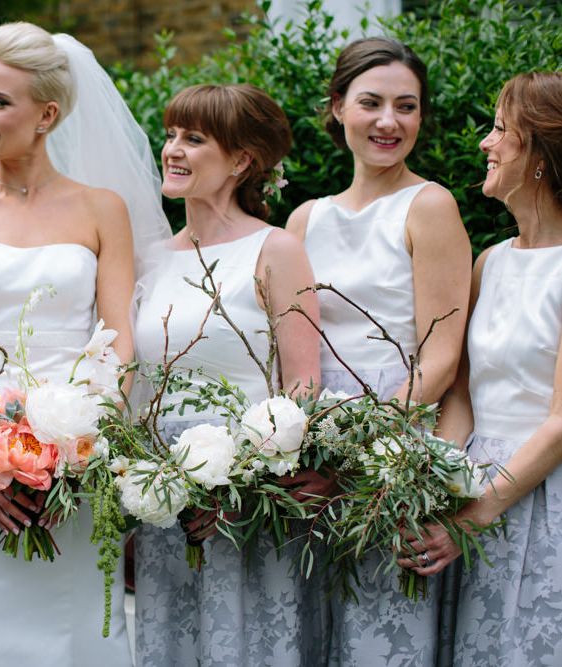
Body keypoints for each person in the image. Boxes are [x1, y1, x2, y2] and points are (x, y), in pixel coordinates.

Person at [0, 22, 169, 666]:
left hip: (75, 464)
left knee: (76, 627)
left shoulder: (103, 209)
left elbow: (119, 341)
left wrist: (77, 447)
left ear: (47, 114)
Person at [287, 38, 472, 666]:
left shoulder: (430, 206)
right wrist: (298, 445)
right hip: (311, 460)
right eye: (371, 102)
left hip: (391, 457)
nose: (389, 121)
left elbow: (442, 356)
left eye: (407, 106)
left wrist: (361, 454)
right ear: (338, 107)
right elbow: (288, 350)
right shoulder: (304, 219)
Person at [133, 83, 324, 666]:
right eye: (170, 136)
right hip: (163, 496)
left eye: (194, 139)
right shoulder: (152, 258)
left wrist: (241, 481)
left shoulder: (276, 249)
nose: (173, 150)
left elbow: (303, 383)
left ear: (241, 161)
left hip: (248, 498)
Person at [398, 71, 562, 665]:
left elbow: (560, 422)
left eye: (499, 130)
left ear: (539, 152)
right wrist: (432, 480)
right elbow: (461, 396)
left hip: (536, 495)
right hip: (468, 489)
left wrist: (474, 517)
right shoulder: (490, 261)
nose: (485, 144)